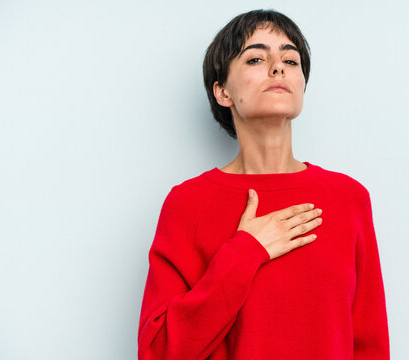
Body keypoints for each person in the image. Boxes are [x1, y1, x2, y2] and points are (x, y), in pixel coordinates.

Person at [137, 9, 389, 360]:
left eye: (290, 59)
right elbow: (159, 351)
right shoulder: (188, 203)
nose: (278, 67)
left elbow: (370, 343)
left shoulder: (348, 199)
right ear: (223, 91)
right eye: (256, 58)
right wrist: (245, 252)